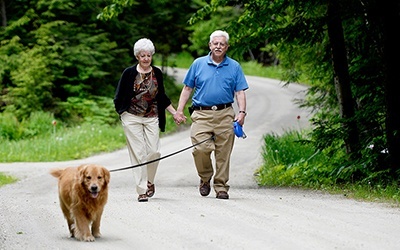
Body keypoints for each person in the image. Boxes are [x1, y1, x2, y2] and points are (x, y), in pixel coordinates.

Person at [173, 30, 249, 199]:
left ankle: (221, 187)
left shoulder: (234, 66)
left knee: (223, 152)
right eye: (215, 43)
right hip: (202, 114)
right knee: (200, 148)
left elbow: (240, 92)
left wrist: (242, 112)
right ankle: (205, 178)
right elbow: (187, 88)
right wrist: (179, 110)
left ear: (227, 47)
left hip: (225, 114)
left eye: (222, 44)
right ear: (210, 45)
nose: (218, 46)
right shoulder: (198, 64)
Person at [114, 38, 180, 202]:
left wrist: (174, 113)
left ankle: (150, 180)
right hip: (131, 117)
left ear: (152, 56)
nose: (145, 58)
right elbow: (119, 96)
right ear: (137, 56)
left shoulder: (156, 73)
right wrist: (122, 112)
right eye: (142, 55)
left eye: (148, 55)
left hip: (151, 117)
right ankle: (142, 189)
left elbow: (162, 96)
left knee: (154, 152)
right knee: (138, 153)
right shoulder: (129, 73)